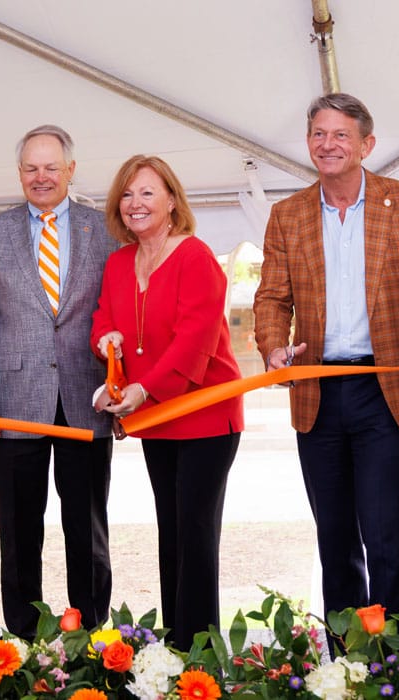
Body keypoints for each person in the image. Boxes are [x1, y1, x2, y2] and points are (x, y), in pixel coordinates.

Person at [252, 93, 399, 617]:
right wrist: (275, 347)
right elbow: (272, 297)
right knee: (335, 541)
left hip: (386, 391)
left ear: (367, 144)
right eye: (319, 134)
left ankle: (396, 664)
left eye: (341, 135)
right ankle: (344, 666)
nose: (328, 144)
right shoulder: (287, 215)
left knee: (388, 538)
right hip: (315, 393)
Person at [0, 125, 120, 639]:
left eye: (51, 167)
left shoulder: (107, 230)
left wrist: (122, 394)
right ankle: (25, 643)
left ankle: (91, 637)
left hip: (86, 400)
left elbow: (118, 313)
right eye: (31, 168)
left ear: (71, 171)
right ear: (20, 173)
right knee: (19, 532)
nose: (41, 177)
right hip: (10, 406)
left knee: (88, 531)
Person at [90, 155, 243, 646]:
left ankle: (198, 654)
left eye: (147, 193)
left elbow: (193, 342)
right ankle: (176, 650)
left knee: (195, 538)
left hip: (205, 417)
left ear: (172, 201)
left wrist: (143, 389)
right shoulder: (117, 262)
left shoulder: (196, 256)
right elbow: (104, 319)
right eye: (128, 195)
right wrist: (105, 346)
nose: (135, 204)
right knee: (171, 536)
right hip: (155, 418)